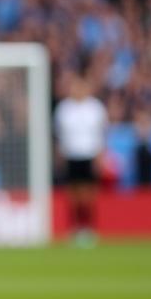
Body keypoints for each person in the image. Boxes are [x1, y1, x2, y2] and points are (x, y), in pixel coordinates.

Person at [53, 74, 107, 245]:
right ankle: (75, 228)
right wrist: (59, 156)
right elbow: (59, 136)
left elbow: (101, 135)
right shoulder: (64, 109)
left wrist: (100, 157)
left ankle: (88, 228)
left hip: (89, 155)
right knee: (73, 195)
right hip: (71, 155)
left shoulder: (96, 108)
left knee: (88, 195)